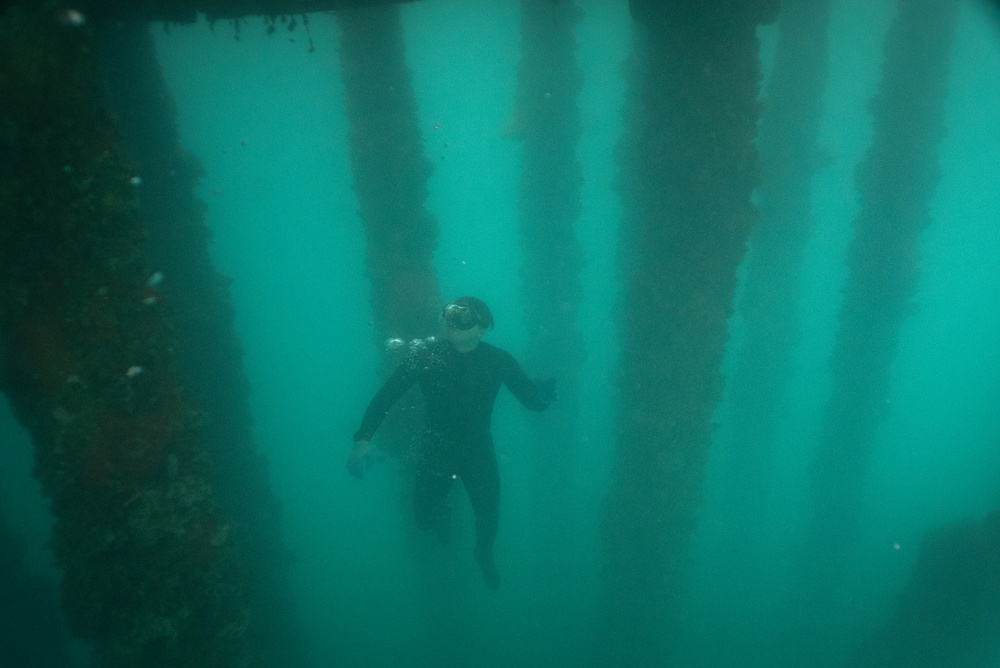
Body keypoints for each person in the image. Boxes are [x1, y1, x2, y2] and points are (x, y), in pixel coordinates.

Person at [347, 296, 556, 589]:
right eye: (449, 314)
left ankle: (483, 553)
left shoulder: (498, 360)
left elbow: (531, 401)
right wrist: (363, 440)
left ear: (482, 329)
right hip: (436, 449)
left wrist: (547, 396)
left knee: (488, 515)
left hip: (477, 451)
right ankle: (443, 514)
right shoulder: (425, 357)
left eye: (463, 317)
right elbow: (386, 397)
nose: (452, 322)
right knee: (423, 521)